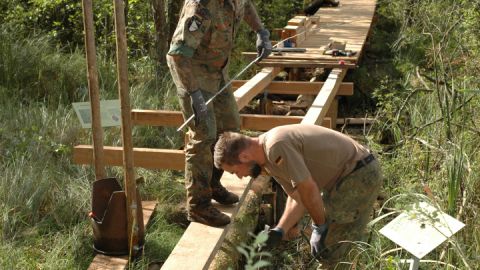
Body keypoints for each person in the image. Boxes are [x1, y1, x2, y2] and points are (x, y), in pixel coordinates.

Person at [213, 124, 382, 267]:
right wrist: (280, 230)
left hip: (358, 174)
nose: (240, 177)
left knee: (334, 249)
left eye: (235, 171)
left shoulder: (276, 146)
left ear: (244, 156)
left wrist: (320, 226)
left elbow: (308, 188)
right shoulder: (269, 161)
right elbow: (298, 196)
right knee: (334, 250)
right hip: (347, 178)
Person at [166, 0, 272, 227]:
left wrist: (261, 31)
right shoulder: (201, 5)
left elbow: (247, 7)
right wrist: (194, 95)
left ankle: (213, 184)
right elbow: (178, 54)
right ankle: (198, 206)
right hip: (191, 71)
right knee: (204, 134)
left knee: (230, 127)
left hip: (217, 70)